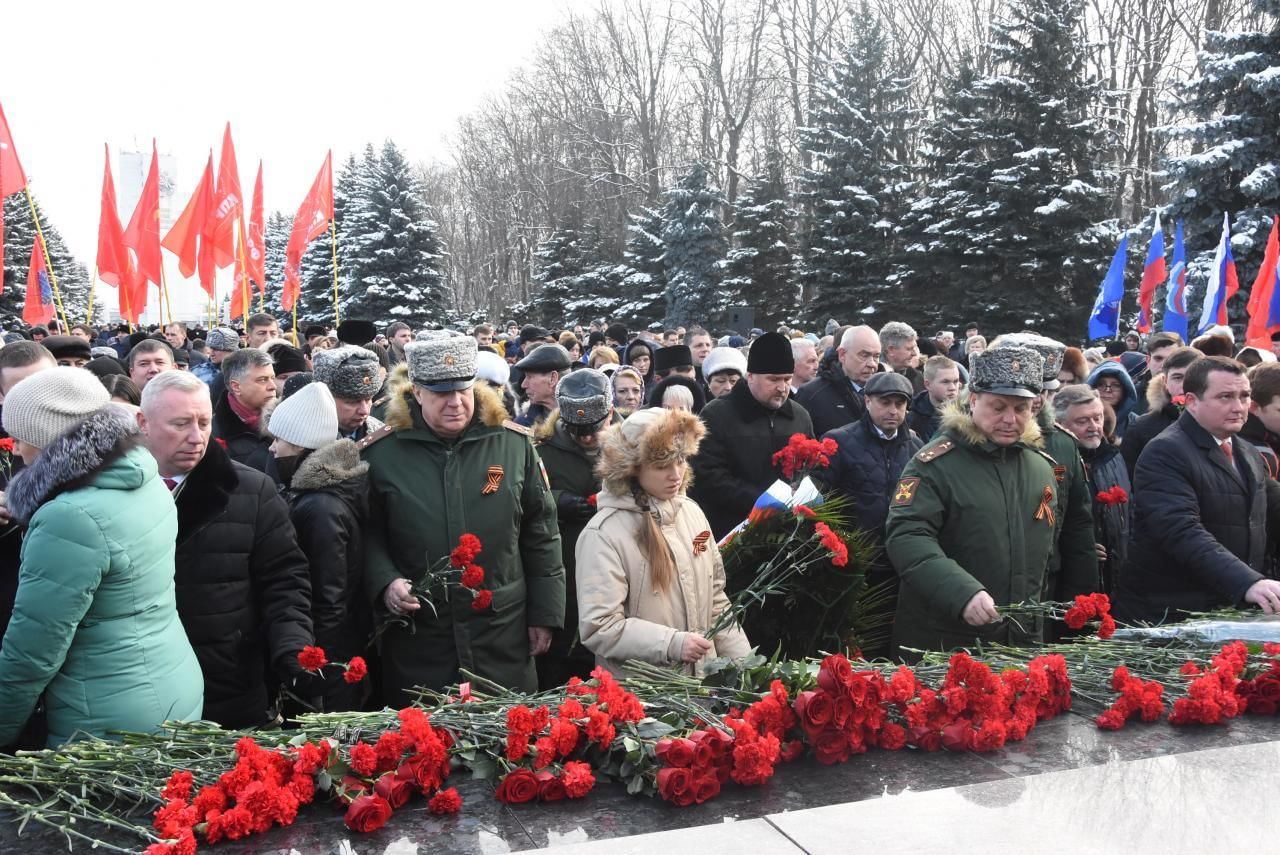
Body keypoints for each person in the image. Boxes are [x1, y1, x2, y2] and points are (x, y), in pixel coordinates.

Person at [0, 369, 202, 746]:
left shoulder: (70, 517)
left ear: (47, 439)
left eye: (19, 435)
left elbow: (32, 652)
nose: (14, 447)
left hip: (106, 714)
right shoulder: (140, 476)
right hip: (164, 683)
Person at [361, 334, 565, 701]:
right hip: (422, 637)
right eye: (441, 393)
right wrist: (385, 581)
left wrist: (545, 614)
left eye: (463, 391)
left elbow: (542, 532)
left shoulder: (513, 445)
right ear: (417, 392)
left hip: (501, 634)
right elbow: (367, 534)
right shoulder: (382, 455)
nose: (455, 403)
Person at [138, 370, 313, 728]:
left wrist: (292, 648)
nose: (196, 437)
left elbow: (285, 578)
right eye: (180, 423)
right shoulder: (110, 494)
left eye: (204, 422)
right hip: (143, 687)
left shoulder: (252, 489)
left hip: (231, 682)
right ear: (143, 422)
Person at [885, 346, 1060, 655]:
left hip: (1020, 642)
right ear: (973, 400)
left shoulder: (1040, 468)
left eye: (1021, 409)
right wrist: (961, 593)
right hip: (949, 643)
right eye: (998, 407)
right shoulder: (934, 464)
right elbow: (907, 536)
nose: (1010, 418)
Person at [576, 407, 750, 676]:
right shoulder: (603, 534)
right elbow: (600, 626)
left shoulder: (691, 512)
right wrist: (671, 643)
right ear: (632, 468)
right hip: (644, 697)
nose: (675, 474)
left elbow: (716, 599)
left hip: (703, 688)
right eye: (661, 465)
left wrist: (744, 666)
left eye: (681, 460)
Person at [1117, 357, 1280, 623]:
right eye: (1225, 397)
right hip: (1172, 614)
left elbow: (1272, 505)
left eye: (1244, 396)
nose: (1239, 407)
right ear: (1191, 401)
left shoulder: (1245, 450)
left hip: (1223, 606)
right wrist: (1248, 582)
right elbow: (1180, 530)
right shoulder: (1166, 451)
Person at [269, 381, 370, 712]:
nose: (272, 448)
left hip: (329, 662)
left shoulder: (320, 508)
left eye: (279, 439)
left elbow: (329, 598)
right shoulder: (315, 495)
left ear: (301, 446)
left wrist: (315, 669)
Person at [992, 334, 1098, 602]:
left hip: (1047, 583)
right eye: (1031, 387)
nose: (1038, 398)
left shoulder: (1062, 444)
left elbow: (1077, 526)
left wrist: (1080, 598)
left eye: (1045, 389)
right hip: (986, 586)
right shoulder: (970, 443)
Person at [821, 372, 923, 652]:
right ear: (867, 401)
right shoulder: (840, 441)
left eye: (899, 404)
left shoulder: (915, 447)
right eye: (885, 402)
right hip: (853, 560)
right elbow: (821, 496)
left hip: (897, 561)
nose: (893, 411)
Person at [534, 369, 617, 689]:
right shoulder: (541, 449)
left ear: (609, 414)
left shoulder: (632, 443)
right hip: (564, 570)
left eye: (593, 428)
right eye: (576, 429)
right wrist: (556, 502)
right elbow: (524, 500)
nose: (586, 438)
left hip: (613, 572)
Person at [691, 332, 814, 538]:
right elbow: (708, 477)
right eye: (773, 379)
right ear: (750, 376)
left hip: (788, 534)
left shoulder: (799, 416)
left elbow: (814, 466)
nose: (782, 388)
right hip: (733, 532)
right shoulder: (716, 415)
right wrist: (764, 500)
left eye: (787, 379)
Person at [1055, 384, 1130, 593]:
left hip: (1116, 579)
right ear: (1059, 424)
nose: (1094, 426)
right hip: (1074, 582)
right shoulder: (1054, 465)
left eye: (1098, 418)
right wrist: (1079, 547)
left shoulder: (1113, 457)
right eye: (1082, 421)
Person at [1120, 346, 1203, 477]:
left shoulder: (1221, 424)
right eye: (1177, 377)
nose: (1184, 385)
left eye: (1191, 377)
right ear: (1165, 381)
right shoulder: (1140, 428)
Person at [794, 325, 881, 436]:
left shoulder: (886, 393)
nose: (872, 364)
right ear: (842, 354)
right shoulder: (812, 394)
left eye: (876, 356)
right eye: (864, 355)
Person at [212, 348, 277, 478]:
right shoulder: (213, 433)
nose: (273, 386)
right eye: (262, 380)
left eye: (272, 378)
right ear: (236, 386)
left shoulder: (287, 421)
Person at [312, 345, 385, 441]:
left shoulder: (381, 435)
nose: (365, 411)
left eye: (368, 399)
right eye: (352, 402)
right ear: (325, 399)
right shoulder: (302, 443)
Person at [909, 355, 961, 442]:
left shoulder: (970, 414)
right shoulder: (912, 420)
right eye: (945, 382)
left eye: (956, 381)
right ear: (928, 385)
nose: (952, 387)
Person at [1086, 358, 1140, 440]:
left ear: (1125, 390)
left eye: (1116, 385)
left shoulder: (1137, 424)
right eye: (1101, 384)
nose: (1108, 390)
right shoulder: (1080, 419)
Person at [880, 322, 924, 394]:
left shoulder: (917, 377)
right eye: (909, 349)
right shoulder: (872, 379)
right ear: (891, 350)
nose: (914, 353)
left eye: (915, 348)